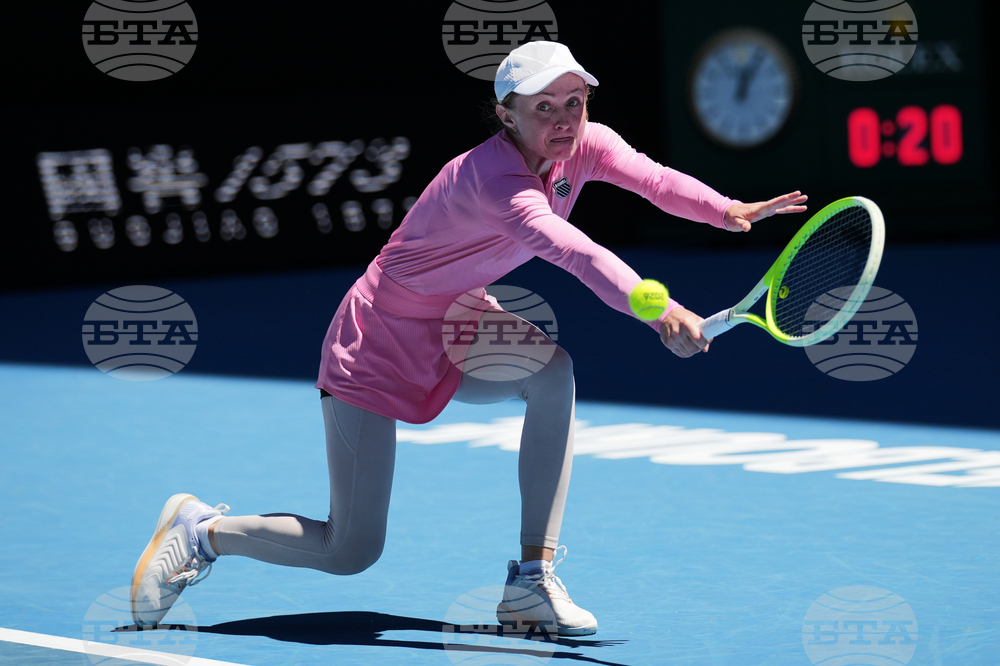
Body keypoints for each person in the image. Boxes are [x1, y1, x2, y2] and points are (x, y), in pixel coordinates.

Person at [129, 41, 807, 636]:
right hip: (379, 336)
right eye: (547, 107)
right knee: (351, 549)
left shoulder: (585, 144)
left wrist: (724, 209)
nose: (567, 119)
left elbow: (652, 179)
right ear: (507, 114)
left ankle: (531, 581)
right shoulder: (495, 183)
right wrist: (659, 310)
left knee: (552, 373)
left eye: (576, 101)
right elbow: (575, 252)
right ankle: (204, 531)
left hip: (458, 316)